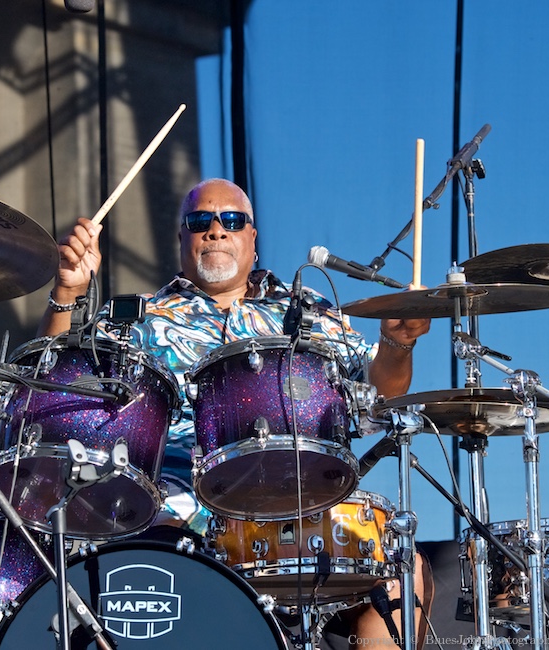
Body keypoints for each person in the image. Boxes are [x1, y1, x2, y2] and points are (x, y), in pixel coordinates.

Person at [39, 178, 432, 648]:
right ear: (182, 237)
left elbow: (375, 392)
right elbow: (55, 385)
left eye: (231, 221)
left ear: (252, 237)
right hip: (178, 515)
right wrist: (67, 294)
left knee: (399, 570)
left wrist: (397, 342)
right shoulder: (139, 319)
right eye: (200, 221)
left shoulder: (307, 312)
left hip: (301, 509)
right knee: (154, 556)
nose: (216, 231)